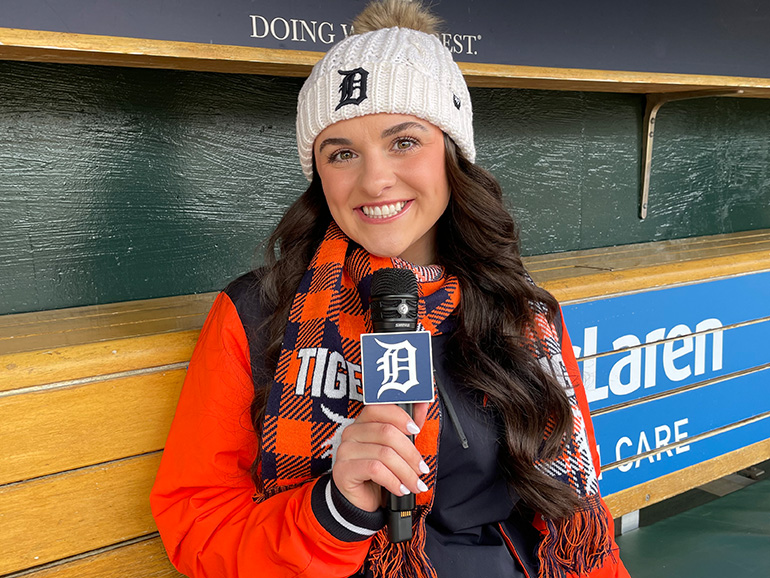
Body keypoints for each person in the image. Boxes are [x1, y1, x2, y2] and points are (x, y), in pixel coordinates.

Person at [150, 1, 631, 577]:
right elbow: (198, 528)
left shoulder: (518, 304)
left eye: (404, 141)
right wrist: (337, 508)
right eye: (343, 152)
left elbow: (581, 510)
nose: (374, 179)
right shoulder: (257, 314)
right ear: (319, 173)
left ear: (451, 153)